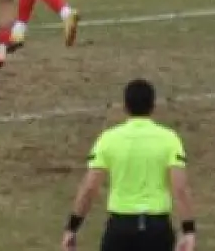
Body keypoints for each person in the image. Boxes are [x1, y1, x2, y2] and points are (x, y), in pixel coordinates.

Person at [62, 79, 196, 251]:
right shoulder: (169, 139)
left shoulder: (108, 139)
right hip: (157, 229)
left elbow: (89, 188)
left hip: (121, 228)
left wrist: (72, 227)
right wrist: (189, 230)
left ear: (125, 107)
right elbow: (180, 189)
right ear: (153, 106)